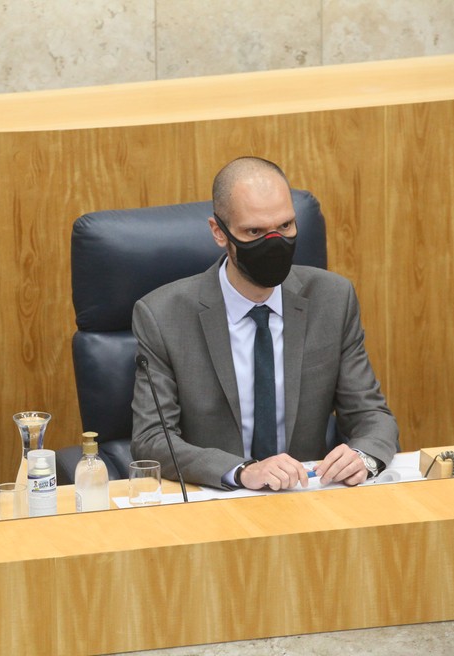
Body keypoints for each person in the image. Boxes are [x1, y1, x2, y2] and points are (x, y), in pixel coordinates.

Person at [131, 157, 398, 491]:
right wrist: (242, 471)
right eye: (254, 231)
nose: (274, 242)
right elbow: (152, 439)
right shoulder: (162, 316)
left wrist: (365, 456)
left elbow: (372, 416)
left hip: (306, 497)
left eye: (285, 227)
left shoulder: (332, 300)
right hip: (215, 501)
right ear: (219, 232)